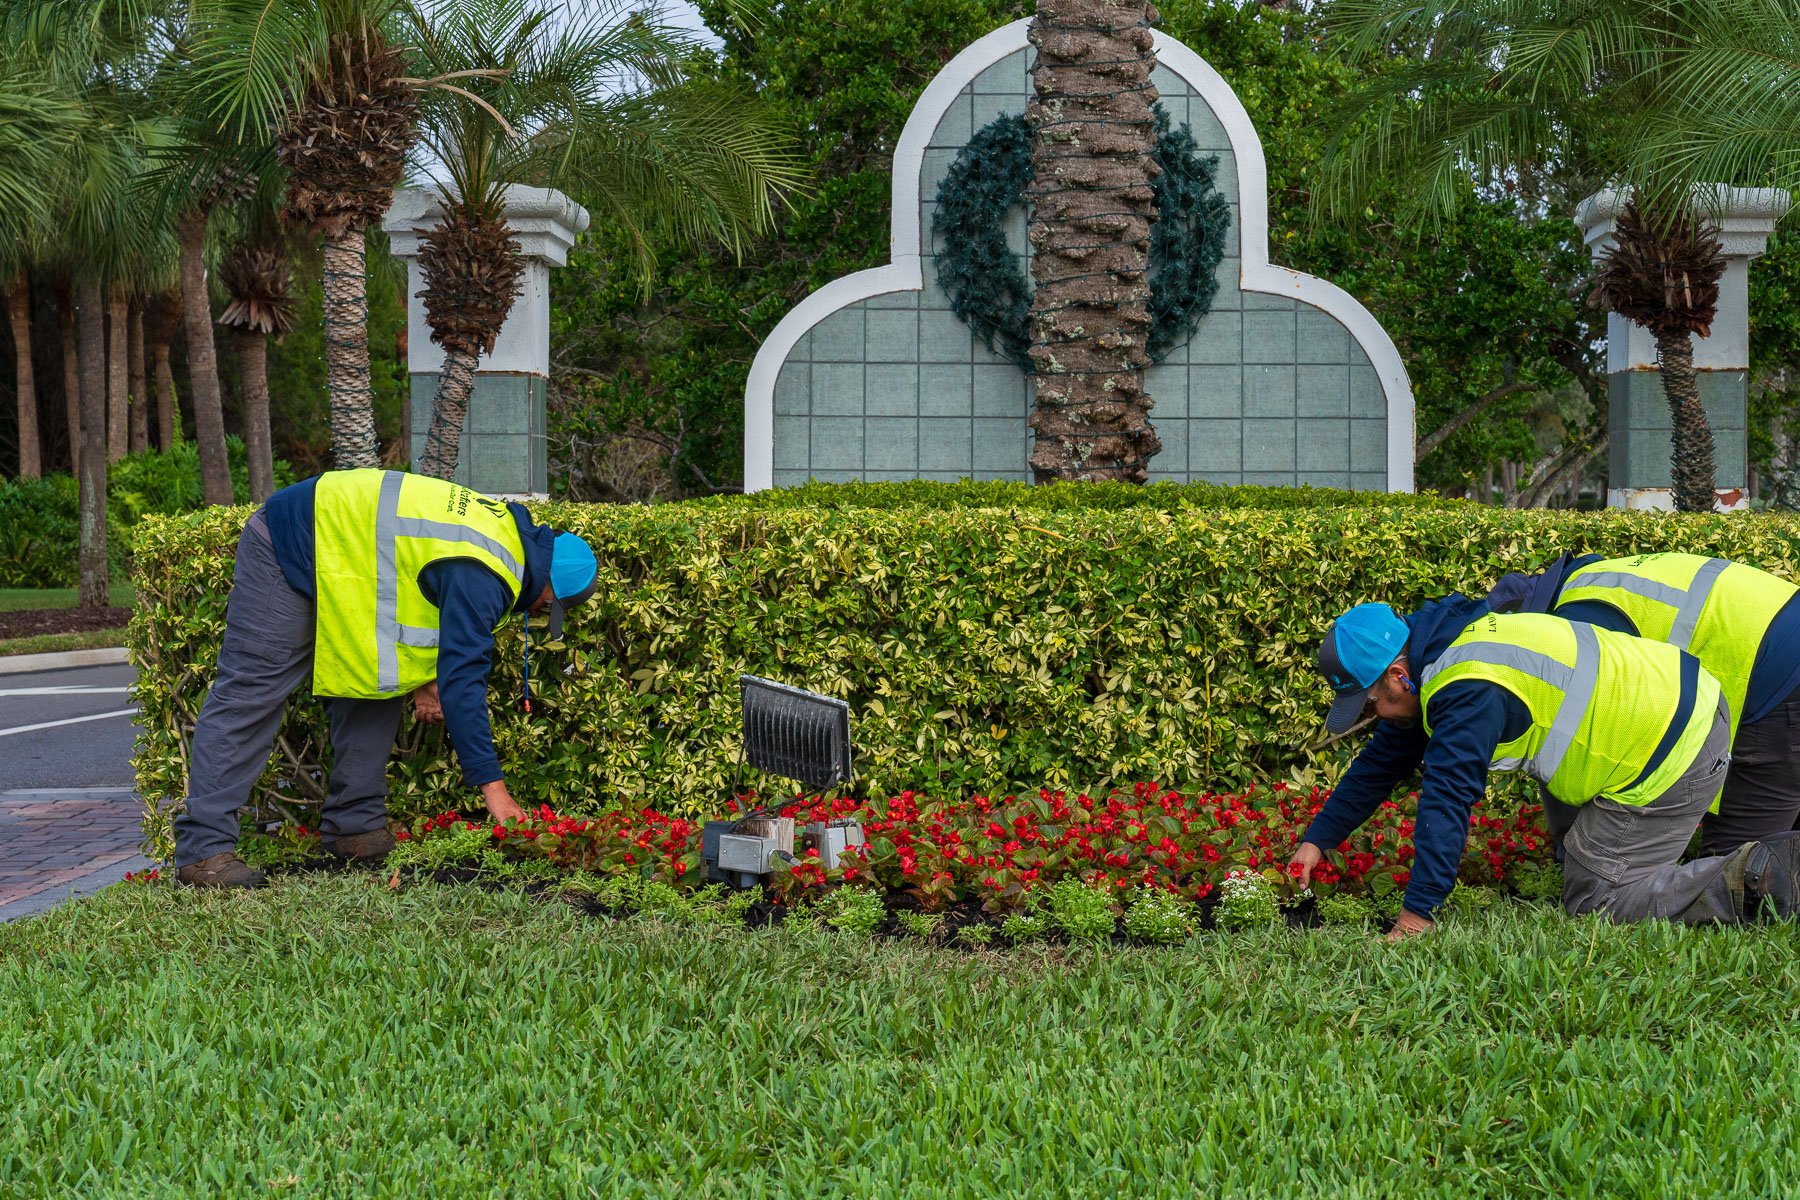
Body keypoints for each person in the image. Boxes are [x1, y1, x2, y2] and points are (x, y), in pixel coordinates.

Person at [174, 468, 600, 889]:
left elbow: (416, 592)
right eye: (550, 605)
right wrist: (494, 789)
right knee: (251, 693)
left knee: (376, 678)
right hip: (293, 541)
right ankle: (204, 852)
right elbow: (464, 681)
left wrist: (422, 679)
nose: (542, 612)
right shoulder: (489, 571)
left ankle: (354, 828)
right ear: (548, 586)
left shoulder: (507, 536)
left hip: (345, 559)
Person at [1290, 596, 1800, 939]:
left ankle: (1759, 875)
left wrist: (1415, 918)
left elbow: (1446, 803)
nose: (1375, 715)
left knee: (1597, 898)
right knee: (1579, 858)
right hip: (1673, 709)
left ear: (1398, 677)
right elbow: (1383, 761)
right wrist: (1319, 839)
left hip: (1672, 747)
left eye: (1372, 702)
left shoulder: (1465, 689)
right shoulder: (1444, 643)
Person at [1488, 551, 1800, 855]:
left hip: (1778, 681)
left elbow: (1583, 745)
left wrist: (1572, 849)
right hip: (1783, 645)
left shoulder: (1575, 624)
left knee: (1741, 870)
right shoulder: (1594, 579)